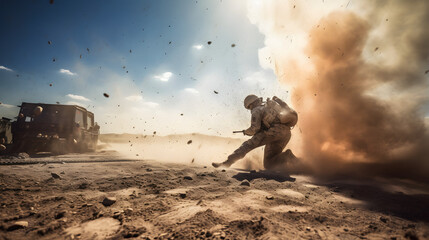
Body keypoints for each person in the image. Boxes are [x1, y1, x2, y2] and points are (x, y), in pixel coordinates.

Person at [212, 94, 297, 170]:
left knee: (247, 145)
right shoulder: (269, 105)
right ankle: (287, 157)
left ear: (251, 104)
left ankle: (227, 163)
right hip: (286, 133)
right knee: (269, 163)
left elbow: (254, 129)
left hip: (273, 131)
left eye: (249, 107)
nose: (250, 109)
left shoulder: (256, 110)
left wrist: (246, 132)